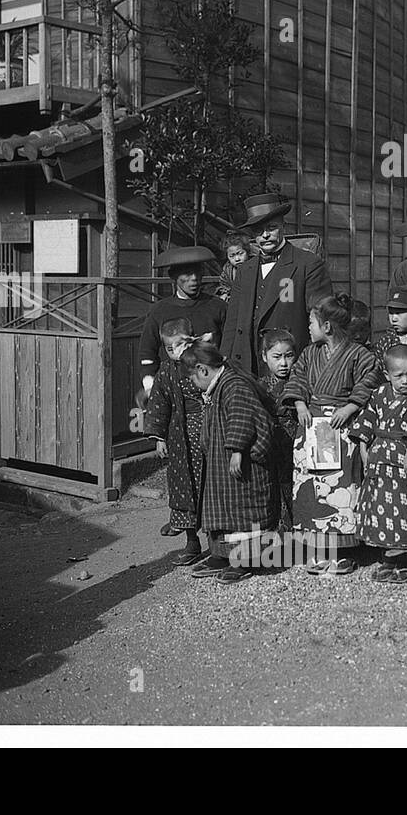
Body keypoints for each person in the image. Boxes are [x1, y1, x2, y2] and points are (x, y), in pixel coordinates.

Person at [283, 292, 382, 575]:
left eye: (312, 323)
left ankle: (344, 550)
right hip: (312, 426)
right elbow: (298, 377)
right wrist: (300, 403)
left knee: (340, 489)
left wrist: (351, 407)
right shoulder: (309, 353)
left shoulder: (359, 355)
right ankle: (319, 549)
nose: (308, 329)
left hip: (341, 427)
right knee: (312, 490)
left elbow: (370, 380)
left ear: (327, 327)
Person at [179, 339, 279, 584]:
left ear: (203, 370)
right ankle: (222, 554)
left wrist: (237, 449)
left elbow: (243, 415)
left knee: (241, 511)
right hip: (221, 464)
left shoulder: (234, 385)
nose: (193, 383)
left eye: (193, 377)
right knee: (224, 509)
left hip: (240, 463)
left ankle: (244, 560)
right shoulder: (219, 386)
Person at [347, 344, 407, 584]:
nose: (406, 381)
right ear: (387, 376)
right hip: (379, 459)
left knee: (406, 506)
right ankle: (389, 556)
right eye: (399, 376)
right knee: (381, 508)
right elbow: (367, 420)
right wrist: (364, 450)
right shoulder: (379, 393)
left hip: (404, 458)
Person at [221, 192, 332, 376]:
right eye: (258, 231)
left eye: (271, 228)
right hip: (248, 365)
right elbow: (232, 323)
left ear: (283, 227)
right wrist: (224, 365)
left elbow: (321, 320)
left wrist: (315, 367)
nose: (265, 235)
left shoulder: (307, 264)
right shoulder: (244, 270)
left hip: (289, 365)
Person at [144, 317, 205, 561]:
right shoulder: (165, 372)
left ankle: (218, 541)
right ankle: (191, 541)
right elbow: (159, 404)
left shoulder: (203, 365)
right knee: (183, 486)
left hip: (208, 435)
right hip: (180, 439)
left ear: (191, 341)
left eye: (180, 345)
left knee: (210, 486)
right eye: (169, 348)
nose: (175, 352)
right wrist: (159, 437)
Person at [136, 246, 225, 383]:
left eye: (198, 273)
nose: (194, 279)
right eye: (187, 274)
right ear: (174, 276)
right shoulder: (159, 310)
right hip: (173, 382)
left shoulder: (217, 306)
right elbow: (147, 350)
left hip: (212, 380)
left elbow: (229, 345)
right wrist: (149, 381)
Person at [259, 328, 299, 532]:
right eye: (277, 357)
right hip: (270, 444)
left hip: (296, 444)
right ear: (264, 356)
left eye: (289, 356)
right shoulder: (259, 387)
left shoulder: (301, 382)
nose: (283, 363)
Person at [213, 231, 253, 303]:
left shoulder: (255, 265)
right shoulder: (228, 270)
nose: (237, 259)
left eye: (240, 254)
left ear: (247, 252)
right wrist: (225, 294)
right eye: (232, 256)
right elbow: (224, 285)